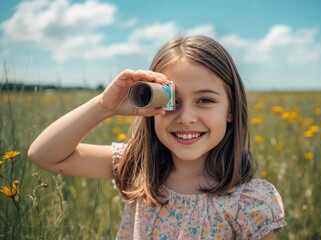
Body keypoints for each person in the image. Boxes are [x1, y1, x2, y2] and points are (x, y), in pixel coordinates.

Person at [28, 35, 286, 239]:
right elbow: (43, 155)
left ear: (230, 110)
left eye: (205, 100)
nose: (186, 117)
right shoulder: (137, 168)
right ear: (151, 107)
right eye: (171, 100)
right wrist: (104, 106)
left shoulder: (249, 200)